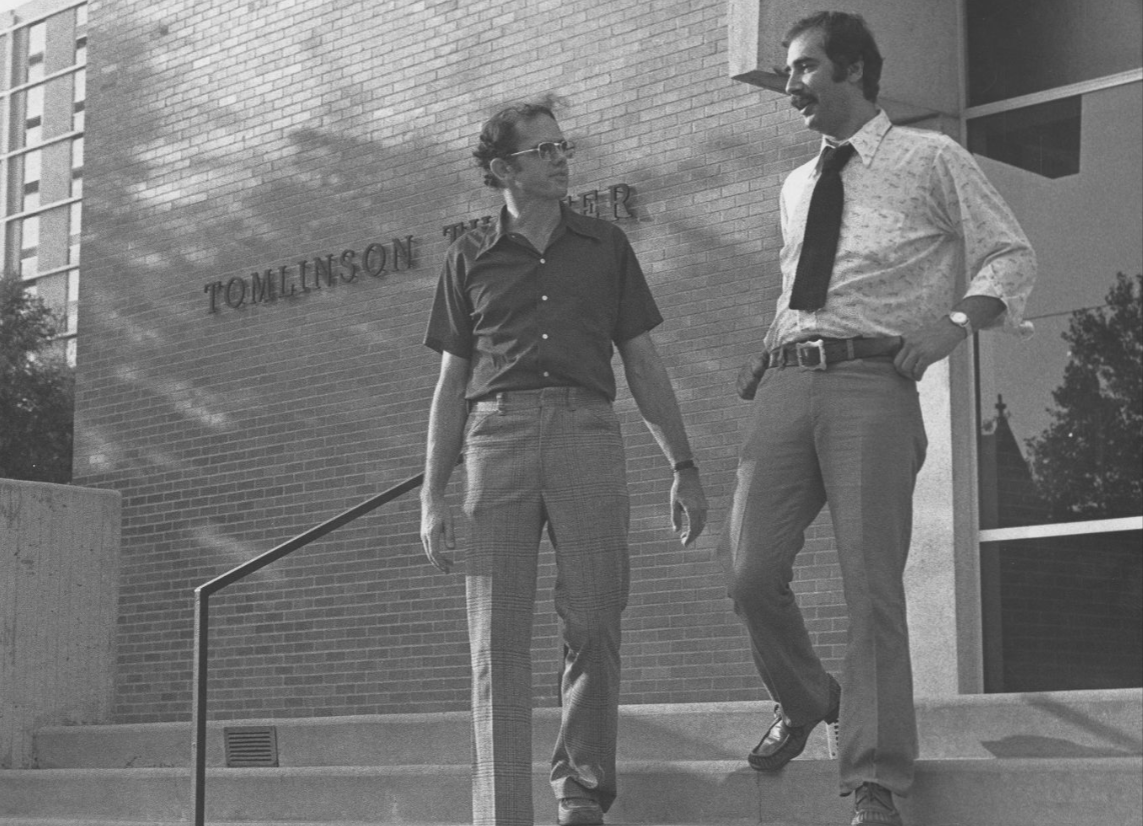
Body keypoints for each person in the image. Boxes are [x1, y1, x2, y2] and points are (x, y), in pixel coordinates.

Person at [725, 12, 1036, 826]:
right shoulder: (794, 185)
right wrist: (768, 347)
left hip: (872, 384)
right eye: (789, 70)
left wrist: (954, 327)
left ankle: (872, 780)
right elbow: (804, 284)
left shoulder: (931, 157)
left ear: (856, 71)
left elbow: (1009, 253)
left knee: (871, 590)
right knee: (749, 573)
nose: (789, 84)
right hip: (789, 382)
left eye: (804, 68)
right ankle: (806, 699)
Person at [420, 102, 708, 826]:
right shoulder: (468, 259)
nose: (561, 158)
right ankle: (503, 815)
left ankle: (580, 797)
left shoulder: (605, 245)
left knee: (594, 623)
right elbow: (450, 385)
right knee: (496, 640)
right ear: (503, 170)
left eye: (563, 146)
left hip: (585, 434)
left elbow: (641, 360)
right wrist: (431, 497)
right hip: (497, 440)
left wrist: (682, 464)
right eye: (543, 149)